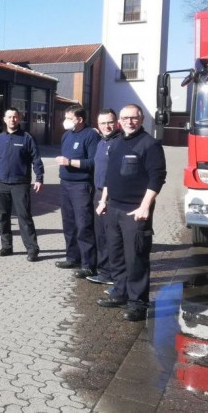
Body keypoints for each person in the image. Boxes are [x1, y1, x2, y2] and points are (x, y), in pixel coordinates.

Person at [96, 104, 166, 322]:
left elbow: (157, 177)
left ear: (141, 118)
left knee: (135, 257)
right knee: (115, 254)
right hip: (113, 208)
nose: (129, 121)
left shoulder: (150, 144)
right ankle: (120, 292)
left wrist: (145, 206)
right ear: (120, 121)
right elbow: (109, 176)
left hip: (135, 211)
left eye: (133, 118)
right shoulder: (116, 143)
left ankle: (138, 303)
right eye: (125, 118)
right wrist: (103, 201)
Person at [0, 107, 44, 262]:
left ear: (19, 118)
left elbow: (36, 159)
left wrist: (39, 178)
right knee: (3, 216)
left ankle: (32, 249)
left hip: (20, 184)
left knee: (24, 217)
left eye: (15, 117)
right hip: (1, 183)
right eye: (9, 117)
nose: (12, 120)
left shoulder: (27, 138)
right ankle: (7, 246)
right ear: (4, 119)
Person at [55, 104, 100, 274]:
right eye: (65, 118)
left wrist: (70, 162)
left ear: (80, 119)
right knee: (69, 224)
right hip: (65, 184)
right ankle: (72, 258)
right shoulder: (66, 135)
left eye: (69, 118)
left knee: (83, 225)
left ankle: (88, 264)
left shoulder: (90, 136)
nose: (65, 121)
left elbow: (93, 162)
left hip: (81, 186)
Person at [86, 109, 121, 286]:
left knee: (111, 237)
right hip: (98, 193)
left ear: (116, 122)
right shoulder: (101, 143)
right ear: (97, 126)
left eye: (110, 122)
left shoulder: (119, 143)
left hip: (111, 196)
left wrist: (104, 200)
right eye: (102, 123)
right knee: (100, 235)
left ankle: (114, 275)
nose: (107, 126)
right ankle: (105, 272)